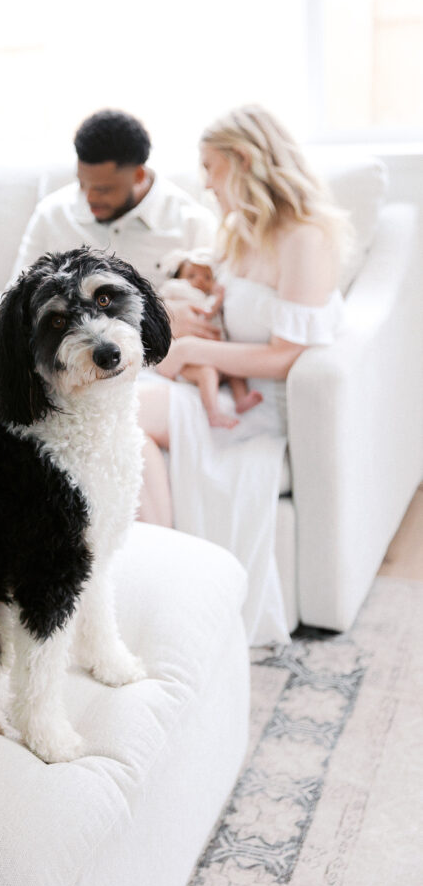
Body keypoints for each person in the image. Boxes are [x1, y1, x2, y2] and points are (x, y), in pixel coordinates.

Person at [138, 105, 350, 646]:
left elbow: (286, 356)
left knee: (120, 415)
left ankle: (158, 590)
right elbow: (224, 309)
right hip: (220, 387)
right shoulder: (238, 231)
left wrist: (189, 350)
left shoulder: (305, 238)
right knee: (111, 422)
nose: (206, 183)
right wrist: (188, 319)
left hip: (259, 407)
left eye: (211, 167)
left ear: (244, 161)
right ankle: (154, 586)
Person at [0, 109, 217, 423]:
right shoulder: (53, 214)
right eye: (83, 184)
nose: (89, 198)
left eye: (104, 189)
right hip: (58, 355)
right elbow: (16, 300)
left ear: (138, 176)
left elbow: (210, 310)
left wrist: (166, 318)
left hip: (142, 360)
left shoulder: (192, 224)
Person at [157, 247, 262, 428]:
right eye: (191, 275)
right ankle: (213, 414)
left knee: (234, 368)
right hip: (187, 364)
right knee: (207, 372)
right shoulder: (183, 291)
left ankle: (241, 398)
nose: (200, 280)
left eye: (207, 277)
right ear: (179, 277)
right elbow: (206, 311)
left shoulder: (206, 295)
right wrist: (218, 297)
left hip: (209, 354)